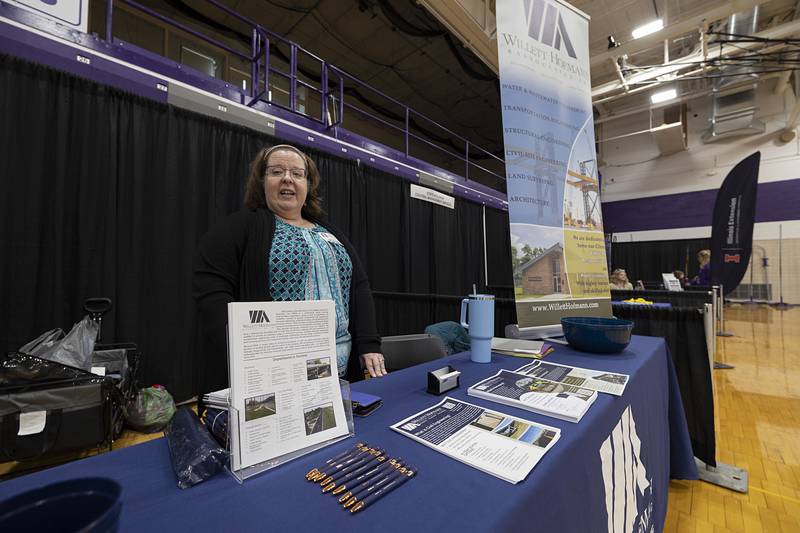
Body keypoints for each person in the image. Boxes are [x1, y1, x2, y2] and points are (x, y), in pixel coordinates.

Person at [193, 144, 385, 393]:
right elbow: (213, 294)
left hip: (342, 369)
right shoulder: (237, 229)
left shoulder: (330, 232)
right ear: (262, 181)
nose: (287, 178)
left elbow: (358, 286)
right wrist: (247, 356)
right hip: (278, 373)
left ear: (308, 184)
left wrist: (369, 343)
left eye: (297, 173)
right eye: (276, 172)